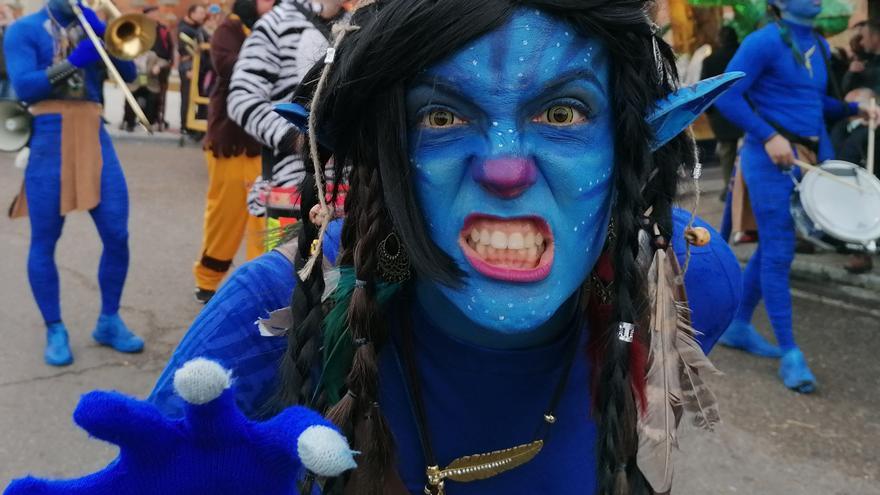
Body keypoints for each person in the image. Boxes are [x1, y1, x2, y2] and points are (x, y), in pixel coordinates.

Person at [5, 1, 744, 493]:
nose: (507, 169)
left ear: (625, 145)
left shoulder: (686, 282)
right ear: (383, 155)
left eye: (561, 110)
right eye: (443, 119)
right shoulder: (273, 314)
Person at [715, 0, 880, 394]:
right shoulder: (762, 42)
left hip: (810, 156)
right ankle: (791, 352)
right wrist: (768, 136)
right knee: (779, 250)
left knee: (774, 248)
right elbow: (726, 95)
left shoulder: (820, 46)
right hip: (768, 158)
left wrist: (857, 108)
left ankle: (738, 325)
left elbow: (813, 102)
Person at [4, 0, 145, 366]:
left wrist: (104, 35)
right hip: (48, 135)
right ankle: (55, 328)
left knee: (117, 233)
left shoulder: (93, 26)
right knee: (44, 239)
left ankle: (109, 321)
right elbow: (23, 88)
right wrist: (74, 62)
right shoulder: (24, 29)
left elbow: (129, 74)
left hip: (94, 133)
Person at [227, 0, 342, 224]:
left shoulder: (360, 21)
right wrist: (296, 138)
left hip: (355, 193)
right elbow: (241, 97)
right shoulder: (277, 22)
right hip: (295, 189)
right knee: (294, 258)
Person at [192, 0, 275, 304]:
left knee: (262, 216)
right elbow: (226, 64)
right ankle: (208, 280)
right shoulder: (228, 29)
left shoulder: (274, 27)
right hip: (228, 139)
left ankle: (261, 283)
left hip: (260, 142)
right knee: (223, 215)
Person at [701, 25, 744, 200]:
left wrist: (710, 112)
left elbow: (705, 88)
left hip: (721, 115)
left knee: (727, 153)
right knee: (747, 152)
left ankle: (729, 188)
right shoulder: (743, 55)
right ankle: (745, 189)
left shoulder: (710, 60)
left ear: (720, 40)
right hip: (746, 110)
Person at [177, 3, 208, 138]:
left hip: (201, 68)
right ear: (192, 13)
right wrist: (188, 69)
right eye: (200, 13)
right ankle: (186, 126)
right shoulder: (184, 29)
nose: (203, 15)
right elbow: (187, 52)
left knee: (200, 96)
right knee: (187, 97)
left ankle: (197, 126)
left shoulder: (199, 28)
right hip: (189, 68)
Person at [121, 49, 168, 131]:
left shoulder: (152, 55)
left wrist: (157, 66)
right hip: (135, 83)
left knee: (152, 98)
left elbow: (164, 61)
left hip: (149, 84)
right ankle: (130, 123)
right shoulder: (131, 54)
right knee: (131, 98)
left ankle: (148, 122)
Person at [146, 6, 173, 131]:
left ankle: (159, 118)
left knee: (160, 94)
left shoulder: (163, 30)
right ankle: (138, 118)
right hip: (144, 65)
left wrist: (168, 62)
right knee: (140, 89)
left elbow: (169, 48)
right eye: (153, 13)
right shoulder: (141, 27)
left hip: (161, 65)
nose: (156, 15)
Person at [843, 20, 880, 95]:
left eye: (863, 37)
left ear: (875, 37)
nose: (861, 43)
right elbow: (845, 90)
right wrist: (852, 73)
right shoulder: (868, 63)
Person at [0, 4, 17, 99]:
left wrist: (10, 22)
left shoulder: (15, 28)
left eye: (4, 13)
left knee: (10, 105)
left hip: (11, 75)